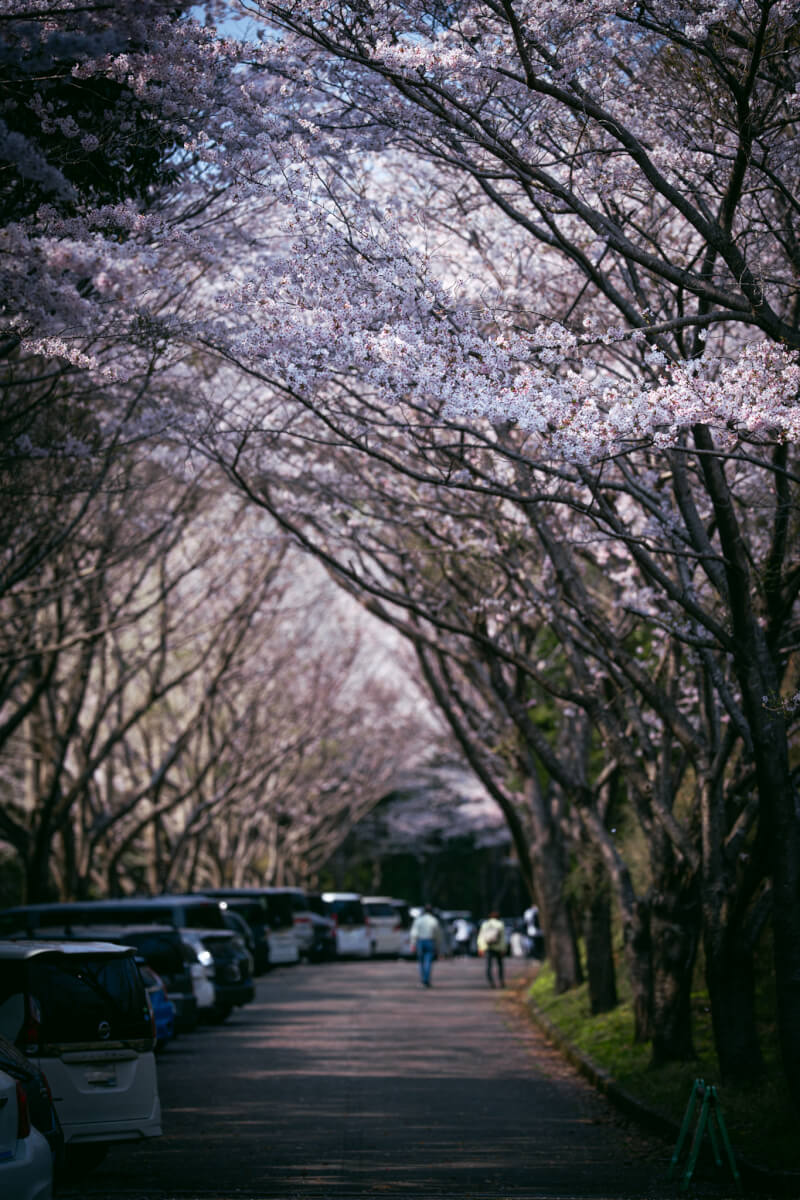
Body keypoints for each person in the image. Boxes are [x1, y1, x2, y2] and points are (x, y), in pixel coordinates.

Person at [409, 904, 443, 988]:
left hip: (420, 941)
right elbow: (438, 934)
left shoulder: (418, 920)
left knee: (421, 962)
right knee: (428, 961)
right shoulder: (434, 920)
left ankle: (423, 979)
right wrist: (438, 946)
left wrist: (413, 944)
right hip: (430, 941)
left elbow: (414, 933)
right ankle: (426, 980)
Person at [477, 910, 508, 988]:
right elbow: (503, 938)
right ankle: (501, 981)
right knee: (500, 965)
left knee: (488, 966)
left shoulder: (485, 924)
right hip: (498, 947)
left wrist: (481, 947)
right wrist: (503, 948)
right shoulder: (500, 924)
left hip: (487, 947)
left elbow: (481, 937)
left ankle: (491, 982)